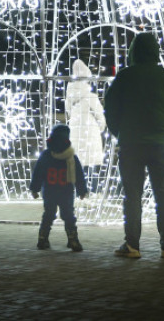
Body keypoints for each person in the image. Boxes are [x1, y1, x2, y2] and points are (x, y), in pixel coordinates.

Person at [104, 31, 164, 259]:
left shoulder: (125, 76)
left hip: (131, 144)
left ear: (134, 52)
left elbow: (110, 108)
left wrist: (119, 131)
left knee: (132, 195)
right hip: (161, 143)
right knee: (163, 194)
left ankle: (132, 245)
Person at [29, 123, 88, 251]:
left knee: (49, 214)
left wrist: (35, 188)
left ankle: (42, 239)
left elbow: (38, 173)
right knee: (68, 215)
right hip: (66, 191)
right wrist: (82, 190)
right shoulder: (71, 156)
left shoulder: (46, 155)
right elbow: (78, 175)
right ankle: (73, 239)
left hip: (49, 191)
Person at [66, 59, 108, 189]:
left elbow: (68, 113)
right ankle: (93, 189)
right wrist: (101, 128)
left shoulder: (69, 96)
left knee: (77, 163)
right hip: (91, 134)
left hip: (75, 133)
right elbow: (100, 117)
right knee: (91, 165)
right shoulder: (91, 97)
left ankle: (78, 189)